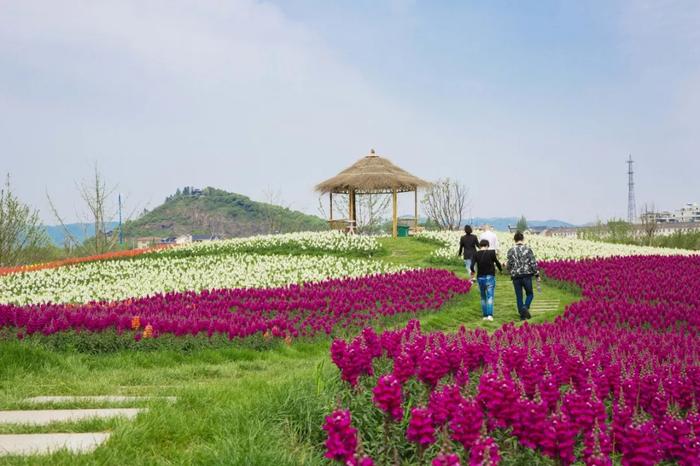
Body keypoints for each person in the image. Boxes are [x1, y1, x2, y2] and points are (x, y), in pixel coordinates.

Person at [506, 231, 540, 321]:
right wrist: (537, 274)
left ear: (514, 239)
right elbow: (533, 262)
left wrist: (511, 271)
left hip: (516, 276)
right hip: (526, 275)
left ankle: (522, 315)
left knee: (519, 296)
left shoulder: (511, 250)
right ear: (523, 239)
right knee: (530, 294)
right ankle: (525, 307)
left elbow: (509, 265)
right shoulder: (528, 249)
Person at [470, 239, 502, 321]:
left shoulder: (475, 254)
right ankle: (490, 315)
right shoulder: (491, 252)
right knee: (490, 296)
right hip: (490, 276)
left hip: (480, 277)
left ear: (480, 246)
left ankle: (484, 316)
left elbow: (471, 266)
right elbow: (497, 262)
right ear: (487, 246)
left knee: (483, 297)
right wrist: (500, 269)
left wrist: (473, 272)